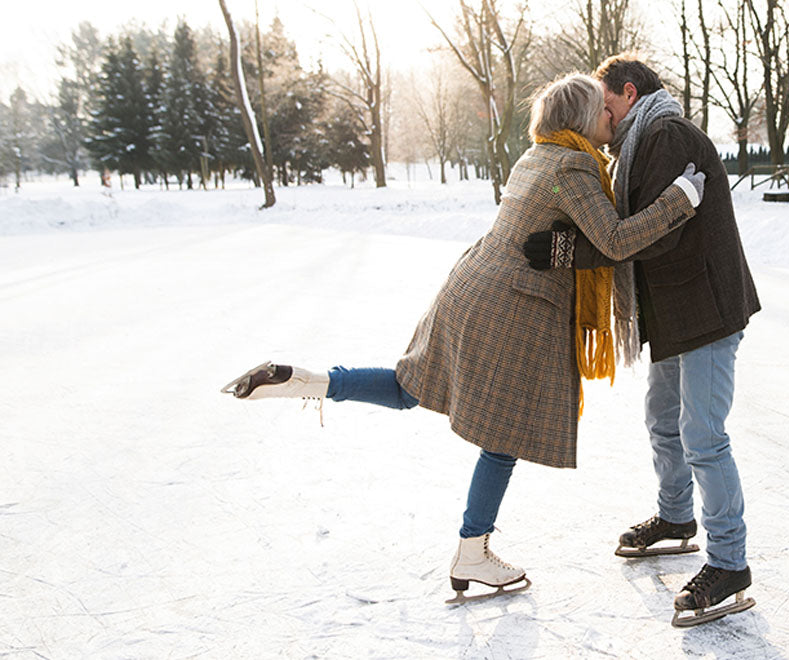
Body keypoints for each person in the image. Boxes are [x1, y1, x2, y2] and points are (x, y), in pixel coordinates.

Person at [220, 73, 706, 604]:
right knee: (503, 436)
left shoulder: (536, 157)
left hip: (470, 286)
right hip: (512, 306)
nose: (610, 119)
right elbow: (613, 240)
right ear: (582, 119)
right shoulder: (573, 166)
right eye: (602, 111)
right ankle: (473, 553)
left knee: (410, 387)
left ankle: (307, 382)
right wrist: (676, 200)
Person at [523, 54, 760, 626]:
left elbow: (648, 236)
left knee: (702, 434)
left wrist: (568, 252)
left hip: (704, 308)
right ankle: (677, 517)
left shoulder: (663, 134)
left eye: (604, 104)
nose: (599, 117)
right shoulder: (636, 142)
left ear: (628, 94)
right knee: (662, 420)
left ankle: (730, 562)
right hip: (675, 313)